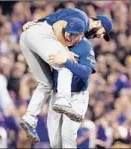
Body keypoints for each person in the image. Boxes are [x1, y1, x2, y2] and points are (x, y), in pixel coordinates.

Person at [19, 8, 113, 143]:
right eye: (102, 33)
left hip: (27, 36)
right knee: (64, 62)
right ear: (98, 23)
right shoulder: (83, 22)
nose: (100, 36)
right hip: (40, 34)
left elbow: (53, 19)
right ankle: (63, 100)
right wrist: (65, 51)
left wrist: (34, 24)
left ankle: (29, 117)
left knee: (46, 83)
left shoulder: (78, 23)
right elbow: (58, 26)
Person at [47, 37, 96, 148]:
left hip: (77, 95)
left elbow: (86, 72)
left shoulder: (84, 46)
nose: (69, 35)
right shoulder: (54, 40)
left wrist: (67, 61)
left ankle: (63, 101)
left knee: (67, 136)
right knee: (55, 141)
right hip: (56, 93)